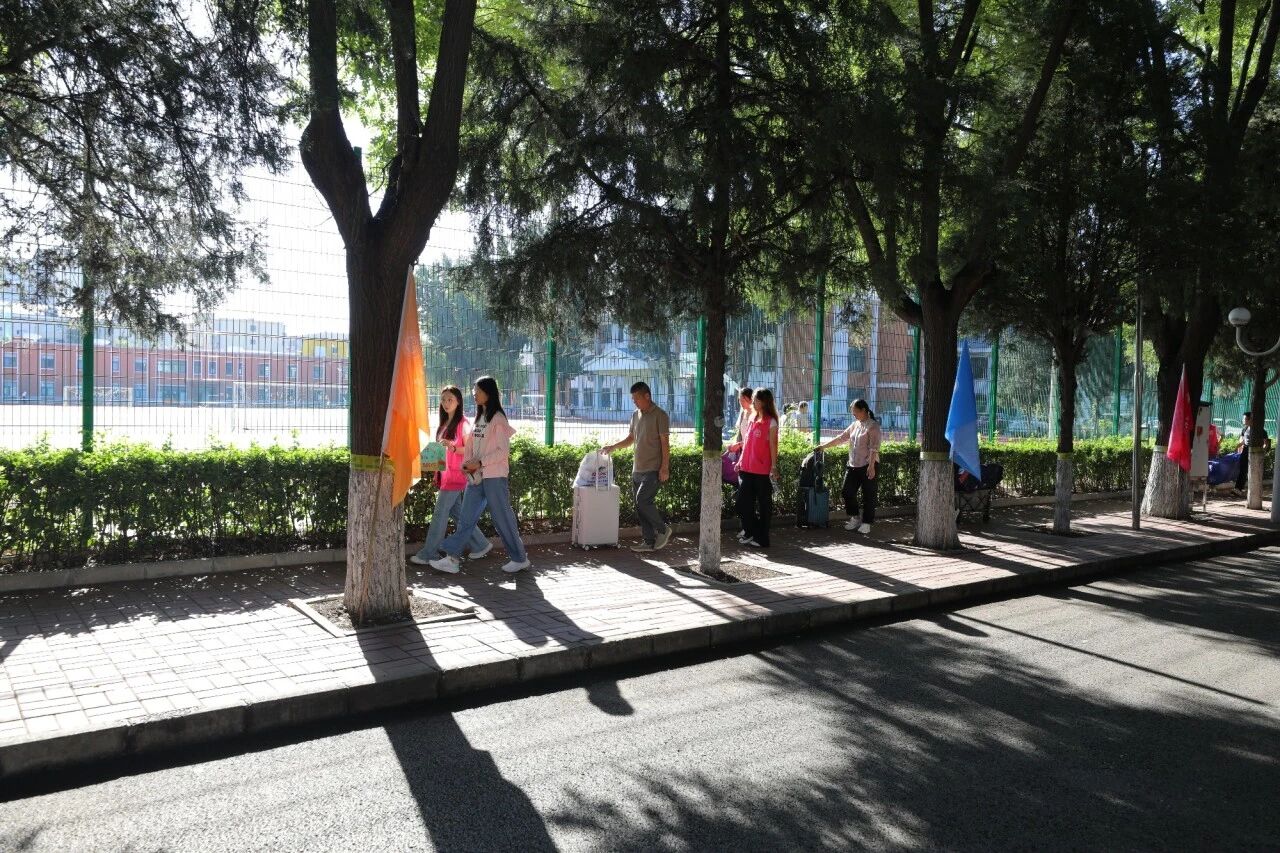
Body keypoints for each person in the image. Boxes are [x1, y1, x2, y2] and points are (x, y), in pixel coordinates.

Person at [428, 376, 531, 575]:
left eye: (478, 391)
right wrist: (467, 464)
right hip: (476, 477)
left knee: (502, 518)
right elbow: (471, 446)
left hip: (494, 476)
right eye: (474, 390)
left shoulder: (498, 419)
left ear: (488, 393)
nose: (474, 394)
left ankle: (520, 559)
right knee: (466, 519)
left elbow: (503, 451)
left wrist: (480, 463)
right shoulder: (479, 417)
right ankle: (452, 559)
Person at [409, 385, 491, 566]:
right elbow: (441, 452)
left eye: (450, 400)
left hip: (456, 476)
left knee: (440, 514)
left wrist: (453, 447)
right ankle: (481, 544)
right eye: (443, 399)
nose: (446, 403)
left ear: (458, 402)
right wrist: (434, 467)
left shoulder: (463, 424)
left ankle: (429, 553)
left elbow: (470, 450)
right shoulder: (444, 423)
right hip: (446, 475)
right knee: (458, 514)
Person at [602, 381, 671, 552]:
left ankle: (663, 529)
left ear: (647, 396)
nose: (634, 401)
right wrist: (613, 447)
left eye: (636, 398)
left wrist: (664, 468)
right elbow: (631, 438)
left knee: (642, 501)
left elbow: (665, 443)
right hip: (637, 469)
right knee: (640, 507)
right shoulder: (635, 415)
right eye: (632, 399)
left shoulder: (660, 415)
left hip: (653, 468)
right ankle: (648, 542)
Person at [816, 399, 881, 535]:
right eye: (852, 412)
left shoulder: (873, 426)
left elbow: (874, 448)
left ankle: (867, 523)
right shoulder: (854, 425)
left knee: (868, 495)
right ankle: (855, 518)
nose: (853, 414)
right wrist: (823, 447)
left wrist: (871, 466)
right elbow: (841, 438)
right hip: (853, 465)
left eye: (855, 412)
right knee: (847, 492)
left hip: (868, 464)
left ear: (863, 410)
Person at [735, 388, 780, 548]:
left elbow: (773, 445)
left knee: (764, 505)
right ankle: (752, 532)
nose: (753, 402)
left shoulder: (771, 422)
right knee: (741, 503)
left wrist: (774, 467)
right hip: (746, 468)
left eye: (756, 400)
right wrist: (740, 461)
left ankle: (762, 538)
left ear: (764, 402)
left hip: (761, 470)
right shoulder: (752, 418)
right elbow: (747, 443)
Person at [726, 386, 753, 542]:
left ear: (750, 399)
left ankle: (750, 530)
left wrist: (740, 445)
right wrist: (735, 447)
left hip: (750, 458)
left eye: (743, 399)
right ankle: (746, 528)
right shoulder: (743, 413)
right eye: (739, 400)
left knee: (745, 496)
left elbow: (753, 440)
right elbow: (741, 435)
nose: (741, 402)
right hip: (742, 455)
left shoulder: (756, 415)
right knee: (742, 495)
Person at [1234, 411, 1273, 492]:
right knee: (1243, 470)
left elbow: (1265, 443)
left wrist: (1262, 451)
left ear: (1250, 419)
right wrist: (1237, 447)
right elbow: (1244, 441)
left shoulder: (1260, 430)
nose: (1243, 420)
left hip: (1255, 452)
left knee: (1254, 471)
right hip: (1245, 450)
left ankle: (1254, 490)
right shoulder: (1244, 429)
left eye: (1244, 419)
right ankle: (1238, 489)